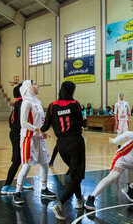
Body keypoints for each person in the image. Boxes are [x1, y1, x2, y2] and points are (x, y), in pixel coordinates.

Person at [40, 81, 86, 220]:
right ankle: (60, 204)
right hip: (75, 142)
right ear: (71, 91)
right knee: (77, 175)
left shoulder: (52, 106)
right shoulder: (75, 104)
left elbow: (46, 126)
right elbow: (80, 121)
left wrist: (40, 131)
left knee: (74, 172)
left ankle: (79, 200)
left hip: (61, 145)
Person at [12, 80, 56, 205]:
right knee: (26, 166)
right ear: (28, 87)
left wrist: (43, 131)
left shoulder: (37, 102)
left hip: (39, 137)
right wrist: (38, 130)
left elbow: (40, 121)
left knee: (45, 163)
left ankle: (44, 189)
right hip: (28, 138)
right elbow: (23, 123)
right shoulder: (26, 102)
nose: (37, 86)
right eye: (35, 84)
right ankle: (17, 193)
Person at [1, 83, 33, 195]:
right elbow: (21, 121)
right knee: (17, 160)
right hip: (18, 133)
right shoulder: (22, 102)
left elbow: (10, 119)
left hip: (16, 132)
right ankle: (6, 186)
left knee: (24, 159)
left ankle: (22, 181)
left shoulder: (18, 102)